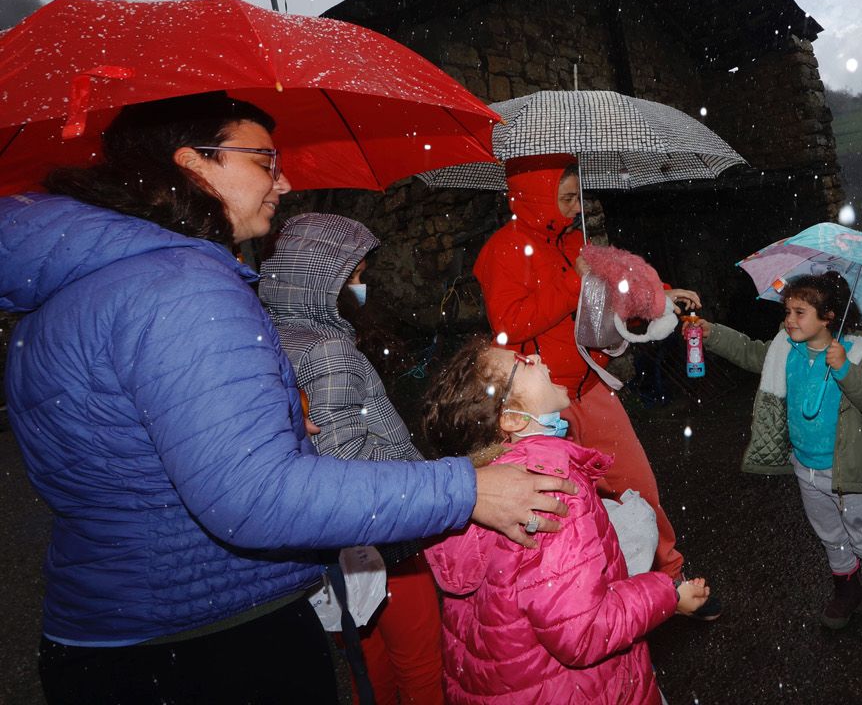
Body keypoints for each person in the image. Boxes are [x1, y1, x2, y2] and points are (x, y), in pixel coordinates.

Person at [0, 91, 576, 704]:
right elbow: (254, 496)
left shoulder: (70, 293)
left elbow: (128, 463)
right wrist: (466, 489)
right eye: (264, 161)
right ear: (194, 165)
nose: (285, 179)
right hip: (209, 644)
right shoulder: (181, 288)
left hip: (107, 634)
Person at [471, 154, 714, 613]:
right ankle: (588, 600)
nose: (575, 208)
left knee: (636, 484)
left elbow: (615, 280)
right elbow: (507, 325)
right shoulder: (503, 249)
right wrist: (570, 283)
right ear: (536, 196)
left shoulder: (572, 239)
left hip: (588, 387)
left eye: (576, 198)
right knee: (563, 510)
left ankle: (671, 583)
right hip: (540, 404)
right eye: (565, 199)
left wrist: (660, 294)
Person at [420, 335, 709, 704]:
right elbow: (585, 632)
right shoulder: (551, 489)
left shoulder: (478, 485)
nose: (538, 359)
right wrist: (668, 594)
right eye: (522, 363)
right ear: (511, 418)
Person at [260, 213, 443, 705]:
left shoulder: (270, 334)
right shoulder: (329, 349)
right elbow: (343, 453)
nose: (362, 289)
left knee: (366, 660)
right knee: (421, 663)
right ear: (324, 282)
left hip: (327, 542)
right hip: (383, 534)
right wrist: (421, 475)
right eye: (355, 278)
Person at [697, 271, 862, 659]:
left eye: (800, 312)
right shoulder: (785, 349)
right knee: (830, 534)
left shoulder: (857, 353)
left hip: (848, 473)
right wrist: (712, 333)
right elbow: (749, 351)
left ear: (829, 316)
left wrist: (844, 369)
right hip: (806, 468)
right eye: (788, 310)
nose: (790, 319)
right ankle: (846, 592)